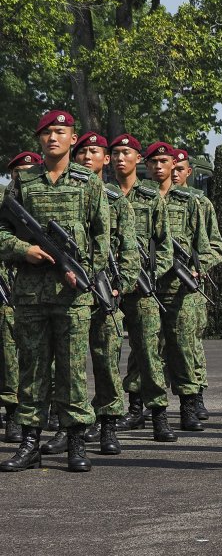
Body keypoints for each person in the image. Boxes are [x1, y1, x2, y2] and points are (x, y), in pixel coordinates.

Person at [0, 111, 109, 473]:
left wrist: (86, 273)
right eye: (46, 133)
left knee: (72, 369)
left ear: (73, 138)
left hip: (72, 295)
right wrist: (22, 250)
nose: (52, 138)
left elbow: (101, 237)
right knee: (31, 369)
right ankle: (30, 442)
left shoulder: (87, 182)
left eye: (60, 132)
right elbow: (1, 232)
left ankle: (75, 440)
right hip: (30, 294)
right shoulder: (22, 183)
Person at [65, 131, 139, 456]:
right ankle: (75, 428)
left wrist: (121, 283)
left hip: (106, 290)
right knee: (69, 363)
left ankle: (108, 423)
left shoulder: (115, 200)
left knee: (106, 360)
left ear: (105, 159)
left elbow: (130, 249)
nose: (86, 156)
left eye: (94, 151)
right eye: (81, 151)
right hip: (72, 290)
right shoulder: (67, 195)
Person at [146, 143, 222, 432]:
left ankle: (189, 406)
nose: (164, 169)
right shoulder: (140, 199)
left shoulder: (194, 202)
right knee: (147, 350)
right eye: (155, 162)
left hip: (181, 287)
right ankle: (150, 410)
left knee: (183, 349)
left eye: (172, 165)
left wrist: (197, 266)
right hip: (148, 286)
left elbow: (214, 246)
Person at [111, 133, 175, 441]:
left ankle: (158, 414)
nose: (120, 158)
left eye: (127, 153)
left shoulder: (151, 197)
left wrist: (150, 273)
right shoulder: (102, 193)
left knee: (149, 353)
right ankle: (115, 414)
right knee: (107, 353)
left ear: (138, 159)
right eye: (116, 153)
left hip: (142, 287)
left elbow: (164, 246)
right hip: (107, 286)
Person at [171, 148, 222, 423]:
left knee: (189, 345)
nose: (173, 173)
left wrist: (198, 267)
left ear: (188, 172)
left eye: (179, 168)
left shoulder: (200, 203)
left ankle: (195, 396)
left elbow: (215, 246)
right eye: (171, 167)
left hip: (188, 285)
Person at [0, 151, 43, 444]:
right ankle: (13, 413)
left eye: (28, 170)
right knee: (8, 355)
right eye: (17, 172)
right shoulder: (5, 207)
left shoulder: (40, 206)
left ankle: (38, 412)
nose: (21, 176)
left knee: (37, 356)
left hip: (35, 290)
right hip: (6, 290)